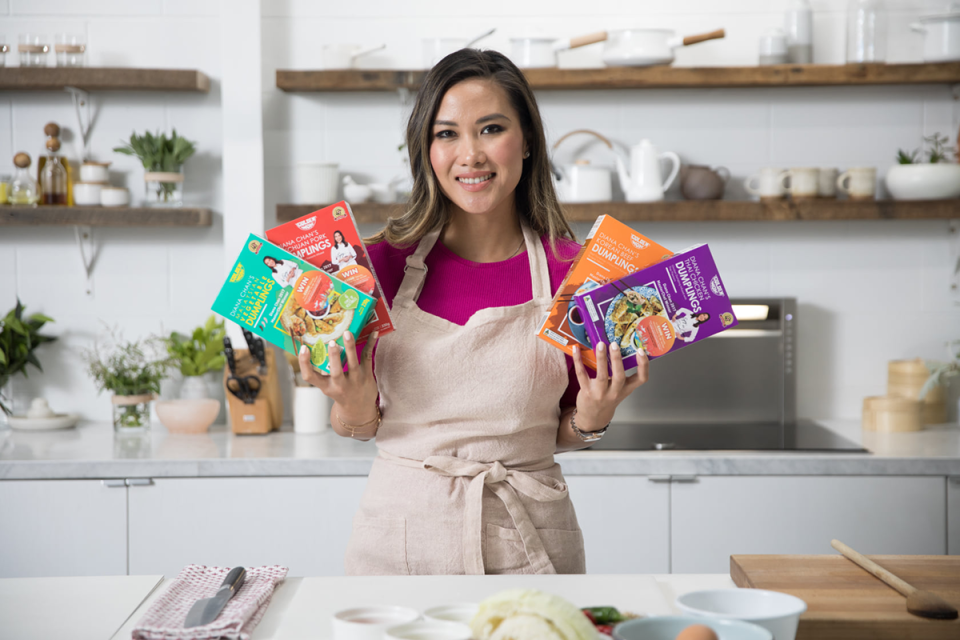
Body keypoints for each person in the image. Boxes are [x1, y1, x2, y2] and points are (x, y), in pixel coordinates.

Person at [297, 49, 649, 575]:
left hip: (530, 537)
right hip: (401, 538)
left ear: (526, 141)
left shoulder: (577, 276)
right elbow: (358, 427)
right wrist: (353, 403)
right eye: (447, 134)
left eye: (490, 129)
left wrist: (595, 418)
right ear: (426, 149)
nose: (470, 155)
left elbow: (563, 428)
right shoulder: (376, 267)